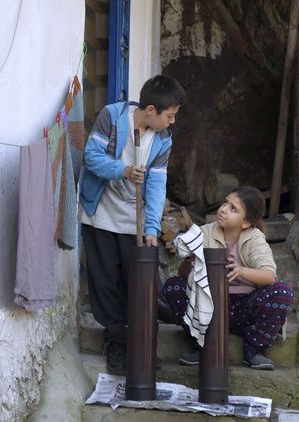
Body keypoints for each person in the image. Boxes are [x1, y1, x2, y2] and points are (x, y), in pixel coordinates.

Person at [79, 74, 186, 374]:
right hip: (100, 213)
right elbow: (91, 157)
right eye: (170, 115)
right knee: (105, 283)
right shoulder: (112, 117)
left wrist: (151, 227)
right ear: (151, 110)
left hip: (134, 221)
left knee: (138, 284)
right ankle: (115, 343)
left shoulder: (162, 140)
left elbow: (157, 185)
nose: (172, 121)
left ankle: (141, 346)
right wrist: (123, 171)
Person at [158, 186, 294, 370]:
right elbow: (184, 275)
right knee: (173, 286)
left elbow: (269, 276)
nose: (223, 209)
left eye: (233, 209)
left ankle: (254, 349)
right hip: (209, 306)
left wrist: (241, 271)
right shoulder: (204, 232)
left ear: (246, 222)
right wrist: (189, 260)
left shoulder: (254, 238)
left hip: (244, 308)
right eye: (225, 203)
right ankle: (202, 345)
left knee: (283, 291)